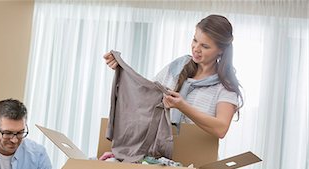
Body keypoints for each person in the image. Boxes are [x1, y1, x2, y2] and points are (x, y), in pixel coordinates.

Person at [104, 14, 242, 139]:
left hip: (198, 158)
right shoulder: (178, 66)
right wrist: (121, 69)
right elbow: (146, 93)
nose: (196, 48)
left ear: (221, 50)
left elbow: (221, 129)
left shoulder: (225, 86)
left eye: (205, 46)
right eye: (195, 40)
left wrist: (183, 106)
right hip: (161, 153)